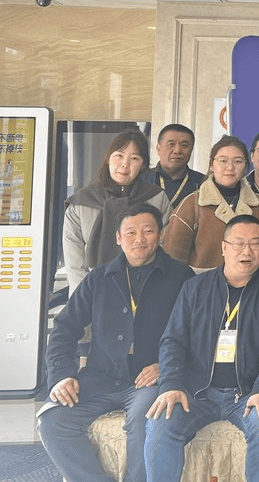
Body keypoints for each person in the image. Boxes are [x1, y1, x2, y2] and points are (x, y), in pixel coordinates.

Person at [39, 203, 193, 482]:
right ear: (118, 238)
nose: (139, 239)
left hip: (149, 380)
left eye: (148, 231)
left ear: (161, 234)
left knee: (147, 416)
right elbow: (64, 327)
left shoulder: (182, 277)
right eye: (130, 233)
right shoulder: (99, 278)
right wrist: (61, 375)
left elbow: (197, 334)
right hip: (100, 377)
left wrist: (167, 367)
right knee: (53, 420)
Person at [145, 215, 259, 482]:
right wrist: (171, 384)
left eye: (255, 243)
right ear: (224, 248)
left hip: (249, 393)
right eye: (239, 243)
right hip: (198, 393)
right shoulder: (195, 288)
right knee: (160, 424)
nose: (247, 251)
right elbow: (173, 341)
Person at [64, 129, 171, 292]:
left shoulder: (156, 198)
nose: (125, 164)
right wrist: (87, 297)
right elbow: (74, 264)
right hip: (91, 290)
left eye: (134, 158)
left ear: (143, 165)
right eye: (119, 155)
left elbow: (165, 247)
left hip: (144, 288)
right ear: (108, 158)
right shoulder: (81, 202)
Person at [162, 135, 259, 270]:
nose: (230, 167)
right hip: (202, 281)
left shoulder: (258, 204)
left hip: (251, 280)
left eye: (238, 161)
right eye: (223, 161)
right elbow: (173, 260)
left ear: (245, 166)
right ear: (211, 165)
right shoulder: (192, 204)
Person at [146, 123, 205, 209]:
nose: (177, 151)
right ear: (158, 149)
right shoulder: (142, 179)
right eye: (171, 144)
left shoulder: (203, 183)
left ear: (191, 150)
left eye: (184, 145)